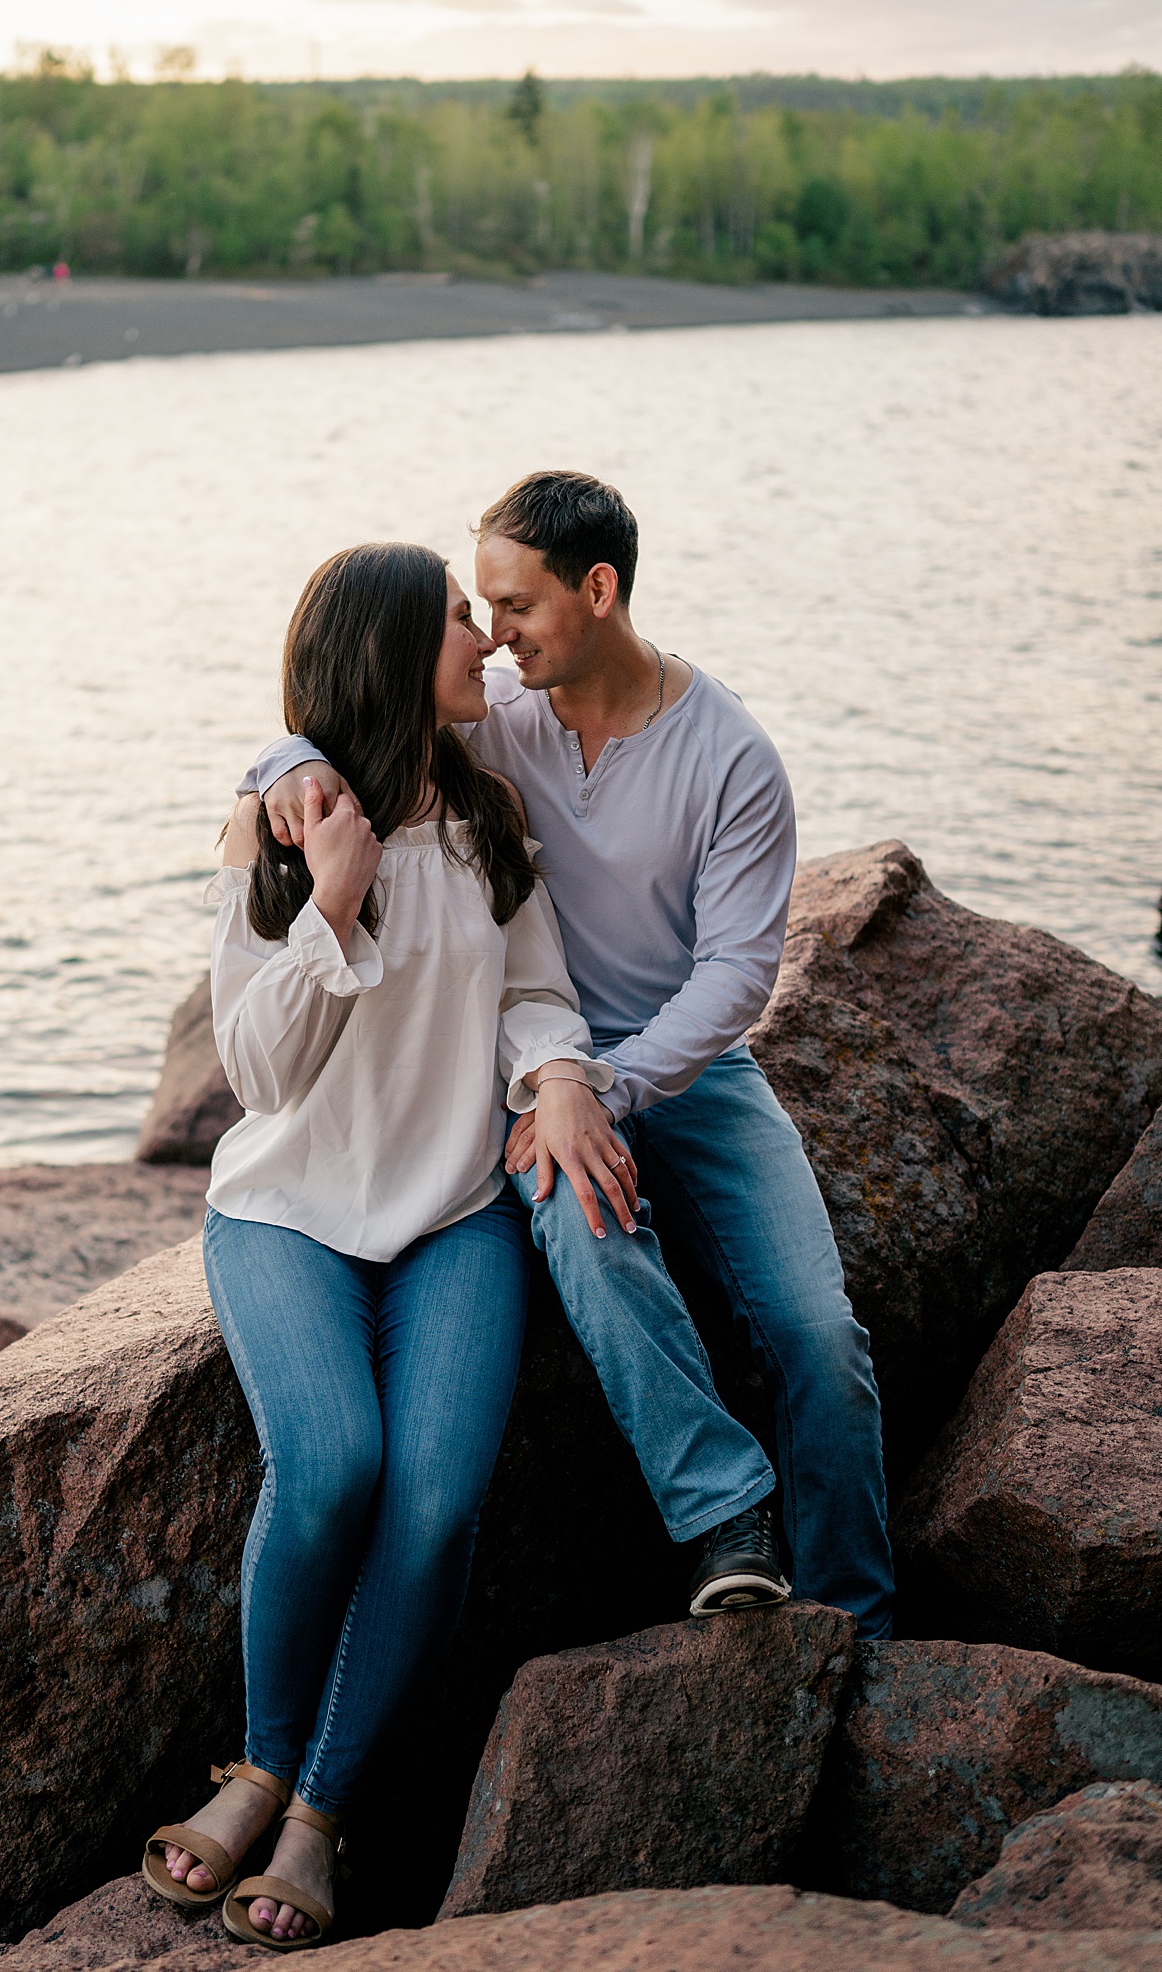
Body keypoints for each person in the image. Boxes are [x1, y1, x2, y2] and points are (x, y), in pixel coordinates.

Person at [247, 472, 896, 1640]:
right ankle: (729, 1522)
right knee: (587, 1230)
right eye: (481, 609)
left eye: (517, 607)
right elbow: (356, 707)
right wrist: (283, 761)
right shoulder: (498, 718)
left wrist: (603, 1085)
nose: (493, 639)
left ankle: (860, 1621)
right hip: (522, 1068)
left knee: (818, 1333)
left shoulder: (731, 756)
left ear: (598, 590)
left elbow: (738, 978)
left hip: (687, 1076)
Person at [143, 541, 622, 1950]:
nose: (482, 637)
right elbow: (261, 1071)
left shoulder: (485, 812)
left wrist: (561, 1072)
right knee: (334, 1461)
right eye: (459, 621)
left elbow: (534, 992)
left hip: (453, 1217)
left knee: (435, 1501)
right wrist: (332, 898)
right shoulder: (285, 831)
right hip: (286, 1212)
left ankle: (317, 1813)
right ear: (390, 651)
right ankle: (260, 1761)